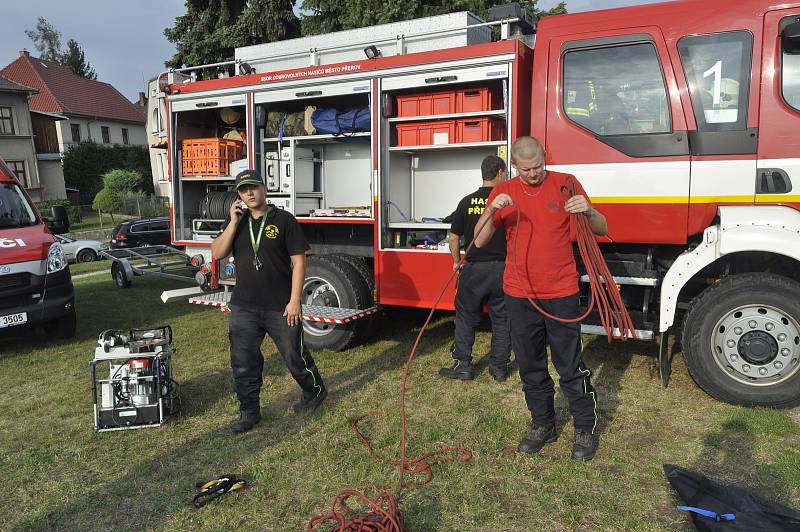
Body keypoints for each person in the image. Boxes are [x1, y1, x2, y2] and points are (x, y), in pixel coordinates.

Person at [474, 136, 608, 461]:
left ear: (544, 157)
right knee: (530, 365)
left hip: (561, 292)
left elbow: (602, 228)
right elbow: (478, 241)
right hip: (519, 295)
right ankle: (542, 423)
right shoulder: (504, 193)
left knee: (569, 365)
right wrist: (492, 210)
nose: (534, 174)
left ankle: (584, 428)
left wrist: (588, 211)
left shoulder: (566, 184)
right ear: (515, 166)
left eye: (538, 166)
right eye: (526, 169)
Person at [211, 169, 326, 433]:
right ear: (238, 195)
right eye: (242, 190)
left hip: (280, 305)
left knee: (293, 355)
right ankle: (249, 412)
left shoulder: (283, 220)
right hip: (244, 306)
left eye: (253, 187)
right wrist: (232, 222)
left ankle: (314, 391)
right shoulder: (236, 223)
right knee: (243, 360)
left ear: (264, 188)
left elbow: (299, 262)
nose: (248, 193)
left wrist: (295, 300)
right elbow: (217, 253)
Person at [439, 154, 512, 382]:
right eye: (506, 173)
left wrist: (455, 261)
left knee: (466, 317)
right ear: (499, 172)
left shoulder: (466, 202)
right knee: (502, 319)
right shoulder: (506, 202)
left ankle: (463, 364)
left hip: (473, 270)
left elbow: (453, 237)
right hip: (502, 269)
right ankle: (499, 368)